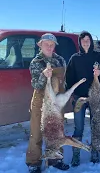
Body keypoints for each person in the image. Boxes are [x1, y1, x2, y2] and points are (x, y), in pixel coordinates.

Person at [26, 33, 70, 173]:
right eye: (47, 44)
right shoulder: (36, 62)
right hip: (40, 100)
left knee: (56, 131)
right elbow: (36, 85)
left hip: (56, 100)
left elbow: (65, 80)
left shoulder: (60, 60)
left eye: (52, 45)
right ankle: (34, 163)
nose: (50, 47)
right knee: (36, 132)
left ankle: (55, 159)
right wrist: (44, 76)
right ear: (40, 45)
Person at [65, 31, 100, 166]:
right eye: (83, 40)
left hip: (95, 97)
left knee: (96, 125)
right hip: (79, 98)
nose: (86, 42)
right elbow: (69, 78)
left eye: (88, 40)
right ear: (80, 42)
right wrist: (71, 94)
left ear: (91, 42)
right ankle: (76, 154)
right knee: (79, 127)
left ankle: (95, 151)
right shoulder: (74, 58)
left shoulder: (98, 57)